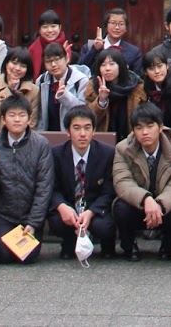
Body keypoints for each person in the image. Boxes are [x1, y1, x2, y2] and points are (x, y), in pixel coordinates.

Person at [0, 94, 55, 264]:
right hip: (4, 215)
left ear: (29, 119)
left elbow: (44, 187)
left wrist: (33, 222)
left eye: (21, 115)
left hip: (29, 216)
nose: (17, 120)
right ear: (3, 119)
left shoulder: (41, 144)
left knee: (27, 256)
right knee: (3, 255)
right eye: (12, 115)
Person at [112, 102, 171, 261]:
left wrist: (159, 204)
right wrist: (146, 199)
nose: (144, 132)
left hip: (163, 207)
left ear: (161, 127)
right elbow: (122, 182)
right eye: (139, 127)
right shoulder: (122, 149)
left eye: (150, 126)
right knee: (120, 207)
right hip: (137, 205)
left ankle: (167, 248)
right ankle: (129, 247)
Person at [48, 105, 117, 260]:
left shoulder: (107, 153)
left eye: (87, 128)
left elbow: (109, 190)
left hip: (95, 208)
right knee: (57, 220)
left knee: (104, 226)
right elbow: (52, 187)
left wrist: (91, 212)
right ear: (67, 131)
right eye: (76, 128)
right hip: (70, 206)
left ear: (94, 130)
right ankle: (69, 242)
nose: (82, 134)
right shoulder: (56, 154)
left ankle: (107, 243)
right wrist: (62, 206)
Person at [85, 46, 146, 141]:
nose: (107, 69)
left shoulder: (136, 85)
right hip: (103, 139)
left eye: (112, 64)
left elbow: (143, 116)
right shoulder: (93, 86)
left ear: (120, 66)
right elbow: (88, 119)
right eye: (103, 65)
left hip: (131, 139)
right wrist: (101, 100)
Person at [34, 40, 90, 133]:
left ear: (67, 58)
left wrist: (65, 95)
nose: (53, 65)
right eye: (48, 61)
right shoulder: (41, 81)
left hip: (73, 134)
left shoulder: (81, 80)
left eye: (57, 59)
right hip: (48, 134)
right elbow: (40, 114)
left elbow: (83, 111)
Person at [0, 47, 37, 133]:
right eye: (14, 63)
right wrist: (8, 90)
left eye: (23, 66)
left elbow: (32, 122)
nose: (17, 68)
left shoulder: (34, 90)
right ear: (6, 64)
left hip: (23, 136)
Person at [78, 7, 144, 75]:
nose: (117, 27)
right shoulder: (89, 47)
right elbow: (80, 70)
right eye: (113, 23)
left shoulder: (134, 52)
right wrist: (94, 49)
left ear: (126, 28)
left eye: (121, 24)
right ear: (106, 26)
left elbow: (137, 77)